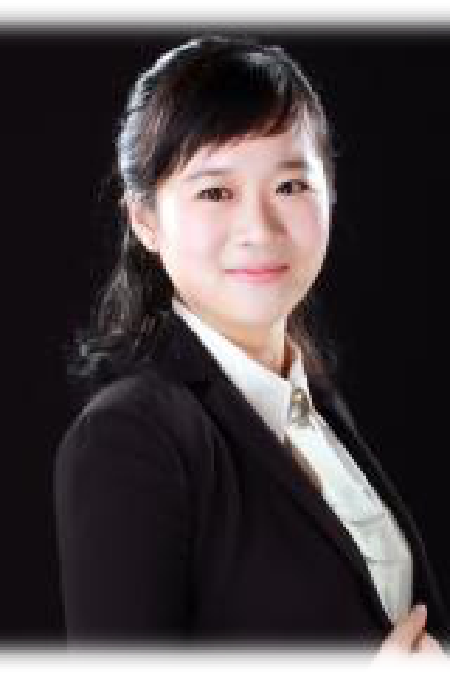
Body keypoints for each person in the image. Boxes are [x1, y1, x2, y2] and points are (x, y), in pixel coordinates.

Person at [52, 33, 450, 667]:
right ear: (145, 220)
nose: (260, 229)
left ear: (331, 192)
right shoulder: (128, 438)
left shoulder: (310, 403)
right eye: (216, 192)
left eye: (290, 185)